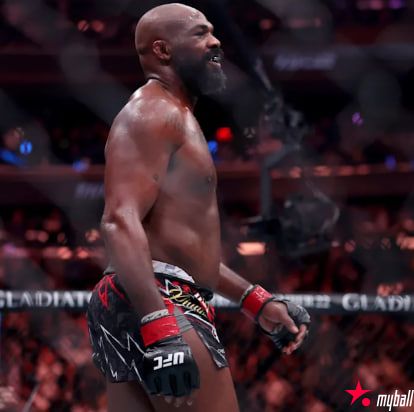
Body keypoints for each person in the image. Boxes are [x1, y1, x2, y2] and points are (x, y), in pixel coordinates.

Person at [87, 3, 310, 411]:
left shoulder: (172, 116)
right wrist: (157, 320)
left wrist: (253, 299)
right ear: (163, 50)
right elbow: (119, 220)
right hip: (159, 297)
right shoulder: (153, 113)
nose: (216, 41)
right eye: (200, 33)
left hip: (139, 292)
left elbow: (180, 249)